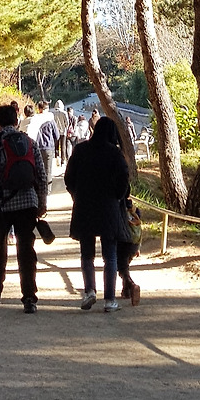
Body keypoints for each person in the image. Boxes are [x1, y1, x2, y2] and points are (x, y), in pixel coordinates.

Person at [0, 101, 47, 311]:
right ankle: (29, 296)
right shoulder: (29, 141)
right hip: (28, 203)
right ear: (17, 122)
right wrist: (42, 201)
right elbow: (41, 174)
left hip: (2, 204)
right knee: (26, 249)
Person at [65, 114, 133, 312]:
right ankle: (110, 300)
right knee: (109, 256)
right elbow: (124, 180)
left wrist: (76, 195)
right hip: (109, 208)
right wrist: (118, 196)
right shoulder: (115, 154)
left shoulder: (81, 150)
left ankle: (89, 291)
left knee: (87, 254)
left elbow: (69, 178)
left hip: (84, 206)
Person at [31, 99, 60, 190]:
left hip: (37, 147)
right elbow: (57, 135)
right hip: (48, 148)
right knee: (48, 171)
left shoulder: (34, 119)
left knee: (38, 170)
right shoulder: (50, 120)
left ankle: (39, 189)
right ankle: (47, 190)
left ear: (39, 109)